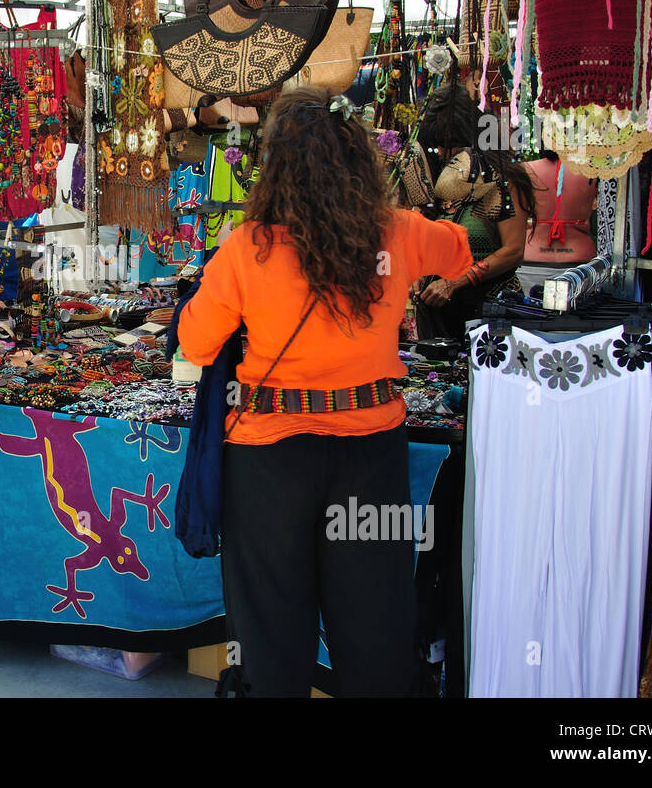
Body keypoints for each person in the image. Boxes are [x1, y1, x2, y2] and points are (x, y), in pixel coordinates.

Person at [176, 87, 473, 697]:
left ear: (275, 165)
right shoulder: (399, 233)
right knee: (375, 625)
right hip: (371, 456)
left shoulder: (245, 249)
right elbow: (460, 252)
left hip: (268, 462)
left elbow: (197, 344)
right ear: (356, 157)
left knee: (270, 633)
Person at [412, 81, 536, 341]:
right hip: (437, 314)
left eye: (452, 146)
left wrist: (455, 282)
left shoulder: (503, 180)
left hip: (489, 311)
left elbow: (513, 251)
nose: (444, 153)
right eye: (438, 147)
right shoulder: (435, 176)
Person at [518, 149, 597, 295]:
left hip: (531, 259)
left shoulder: (525, 169)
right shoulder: (592, 170)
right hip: (579, 262)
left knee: (528, 315)